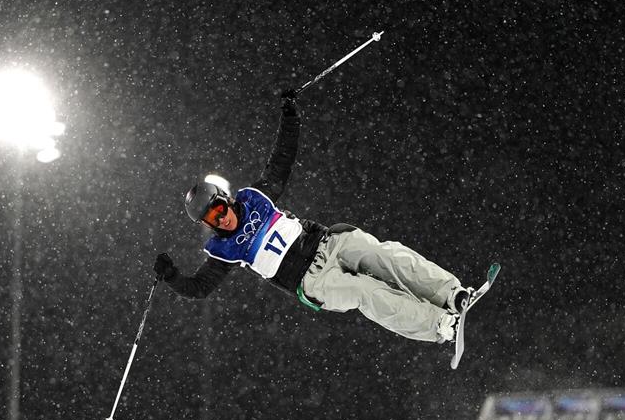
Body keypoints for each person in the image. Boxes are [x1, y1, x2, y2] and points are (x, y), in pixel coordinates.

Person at [154, 91, 473, 344]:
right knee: (364, 291)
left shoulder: (256, 198)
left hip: (328, 242)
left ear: (226, 200)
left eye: (219, 209)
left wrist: (290, 116)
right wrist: (171, 276)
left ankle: (451, 294)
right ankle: (440, 326)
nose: (220, 220)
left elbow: (281, 161)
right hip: (313, 281)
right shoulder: (223, 251)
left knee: (382, 256)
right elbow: (199, 288)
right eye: (211, 220)